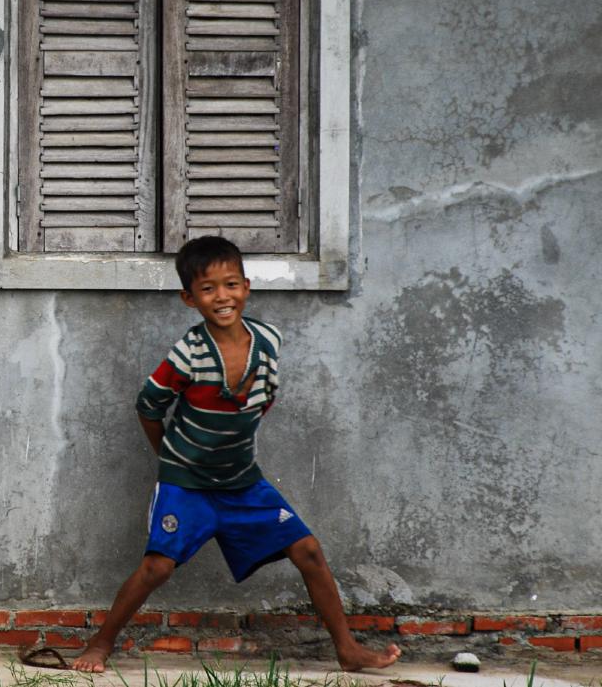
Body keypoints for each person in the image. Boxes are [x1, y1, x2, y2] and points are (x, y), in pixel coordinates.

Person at [71, 236, 400, 673]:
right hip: (187, 485)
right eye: (208, 289)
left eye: (230, 285)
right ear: (190, 299)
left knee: (308, 551)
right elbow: (148, 405)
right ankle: (100, 644)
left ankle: (347, 649)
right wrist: (169, 460)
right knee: (157, 568)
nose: (222, 297)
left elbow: (264, 398)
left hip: (242, 482)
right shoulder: (188, 354)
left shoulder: (268, 339)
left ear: (246, 286)